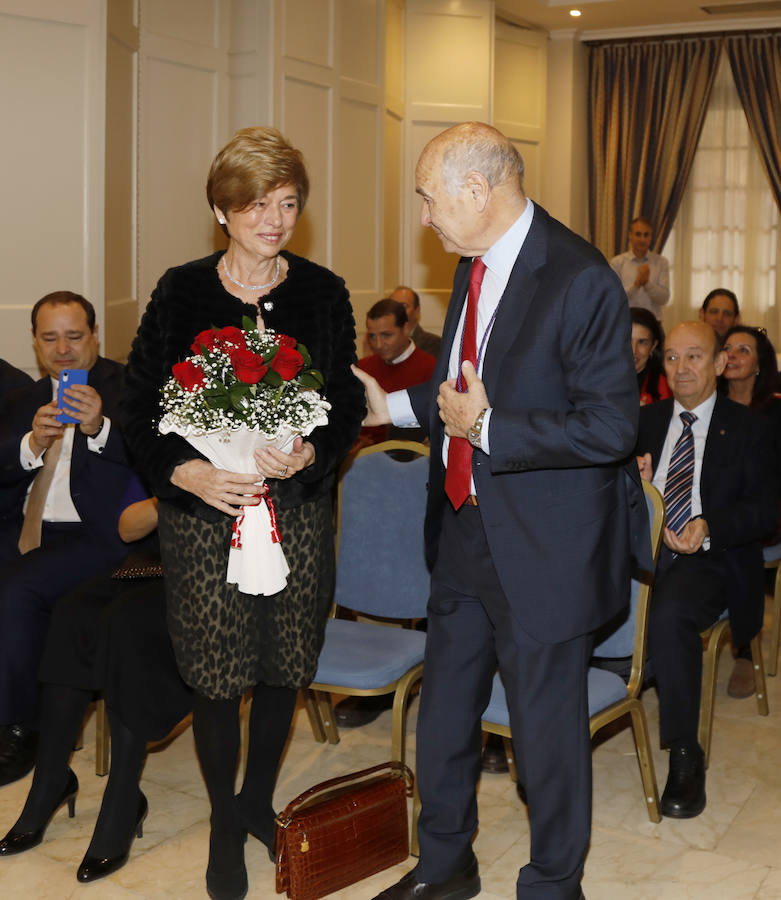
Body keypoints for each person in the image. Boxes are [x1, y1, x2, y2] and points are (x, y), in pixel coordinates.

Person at [353, 122, 640, 900]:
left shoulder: (578, 277)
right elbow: (459, 387)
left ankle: (552, 884)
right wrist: (390, 405)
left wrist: (485, 428)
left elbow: (612, 426)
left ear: (477, 190)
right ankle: (445, 866)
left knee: (545, 740)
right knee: (443, 718)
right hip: (463, 531)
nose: (422, 215)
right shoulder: (473, 264)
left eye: (427, 196)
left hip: (543, 549)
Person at [121, 126, 365, 900]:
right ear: (223, 211)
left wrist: (311, 453)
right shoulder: (181, 290)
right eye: (255, 204)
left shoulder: (321, 291)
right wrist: (186, 473)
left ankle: (257, 799)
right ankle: (226, 827)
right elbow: (139, 406)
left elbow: (345, 402)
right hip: (204, 520)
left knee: (285, 666)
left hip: (292, 513)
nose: (272, 218)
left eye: (287, 203)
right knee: (219, 675)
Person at [0, 478, 192, 884]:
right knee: (72, 612)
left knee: (126, 627)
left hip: (219, 570)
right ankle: (50, 781)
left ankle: (123, 797)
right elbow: (127, 527)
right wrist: (176, 482)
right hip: (151, 563)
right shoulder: (165, 433)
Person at [636, 322, 777, 819]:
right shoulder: (644, 421)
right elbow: (608, 494)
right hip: (646, 550)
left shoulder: (751, 428)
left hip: (713, 557)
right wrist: (640, 492)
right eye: (671, 358)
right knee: (569, 585)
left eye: (694, 356)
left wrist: (707, 525)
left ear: (719, 363)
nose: (681, 369)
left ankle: (683, 751)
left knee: (670, 613)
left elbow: (767, 508)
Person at [0, 292, 133, 786]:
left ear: (95, 336)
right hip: (29, 527)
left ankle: (20, 729)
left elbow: (153, 459)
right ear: (35, 342)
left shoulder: (127, 388)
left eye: (74, 337)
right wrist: (31, 445)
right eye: (49, 338)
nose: (62, 350)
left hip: (95, 535)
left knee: (16, 591)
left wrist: (99, 426)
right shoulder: (23, 398)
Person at [719, 325, 781, 697]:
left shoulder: (774, 408)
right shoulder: (708, 403)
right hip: (714, 509)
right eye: (728, 348)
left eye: (744, 349)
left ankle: (744, 648)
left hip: (764, 512)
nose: (734, 355)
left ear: (760, 363)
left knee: (737, 536)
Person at [355, 298, 436, 448]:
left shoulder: (431, 369)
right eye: (372, 336)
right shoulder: (363, 368)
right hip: (360, 460)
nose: (378, 344)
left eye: (386, 335)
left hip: (412, 461)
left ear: (406, 329)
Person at [610, 216, 670, 320]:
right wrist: (636, 285)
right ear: (630, 236)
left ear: (651, 237)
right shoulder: (617, 262)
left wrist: (647, 284)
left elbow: (664, 299)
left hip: (653, 322)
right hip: (625, 321)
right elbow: (615, 297)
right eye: (638, 234)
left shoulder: (661, 263)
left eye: (646, 235)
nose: (642, 239)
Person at [631, 307, 671, 405]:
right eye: (627, 340)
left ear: (653, 346)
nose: (633, 350)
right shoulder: (597, 379)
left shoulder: (666, 385)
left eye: (642, 342)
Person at [390, 285, 442, 357]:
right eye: (393, 306)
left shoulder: (435, 344)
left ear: (417, 311)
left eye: (404, 306)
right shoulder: (379, 343)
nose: (397, 311)